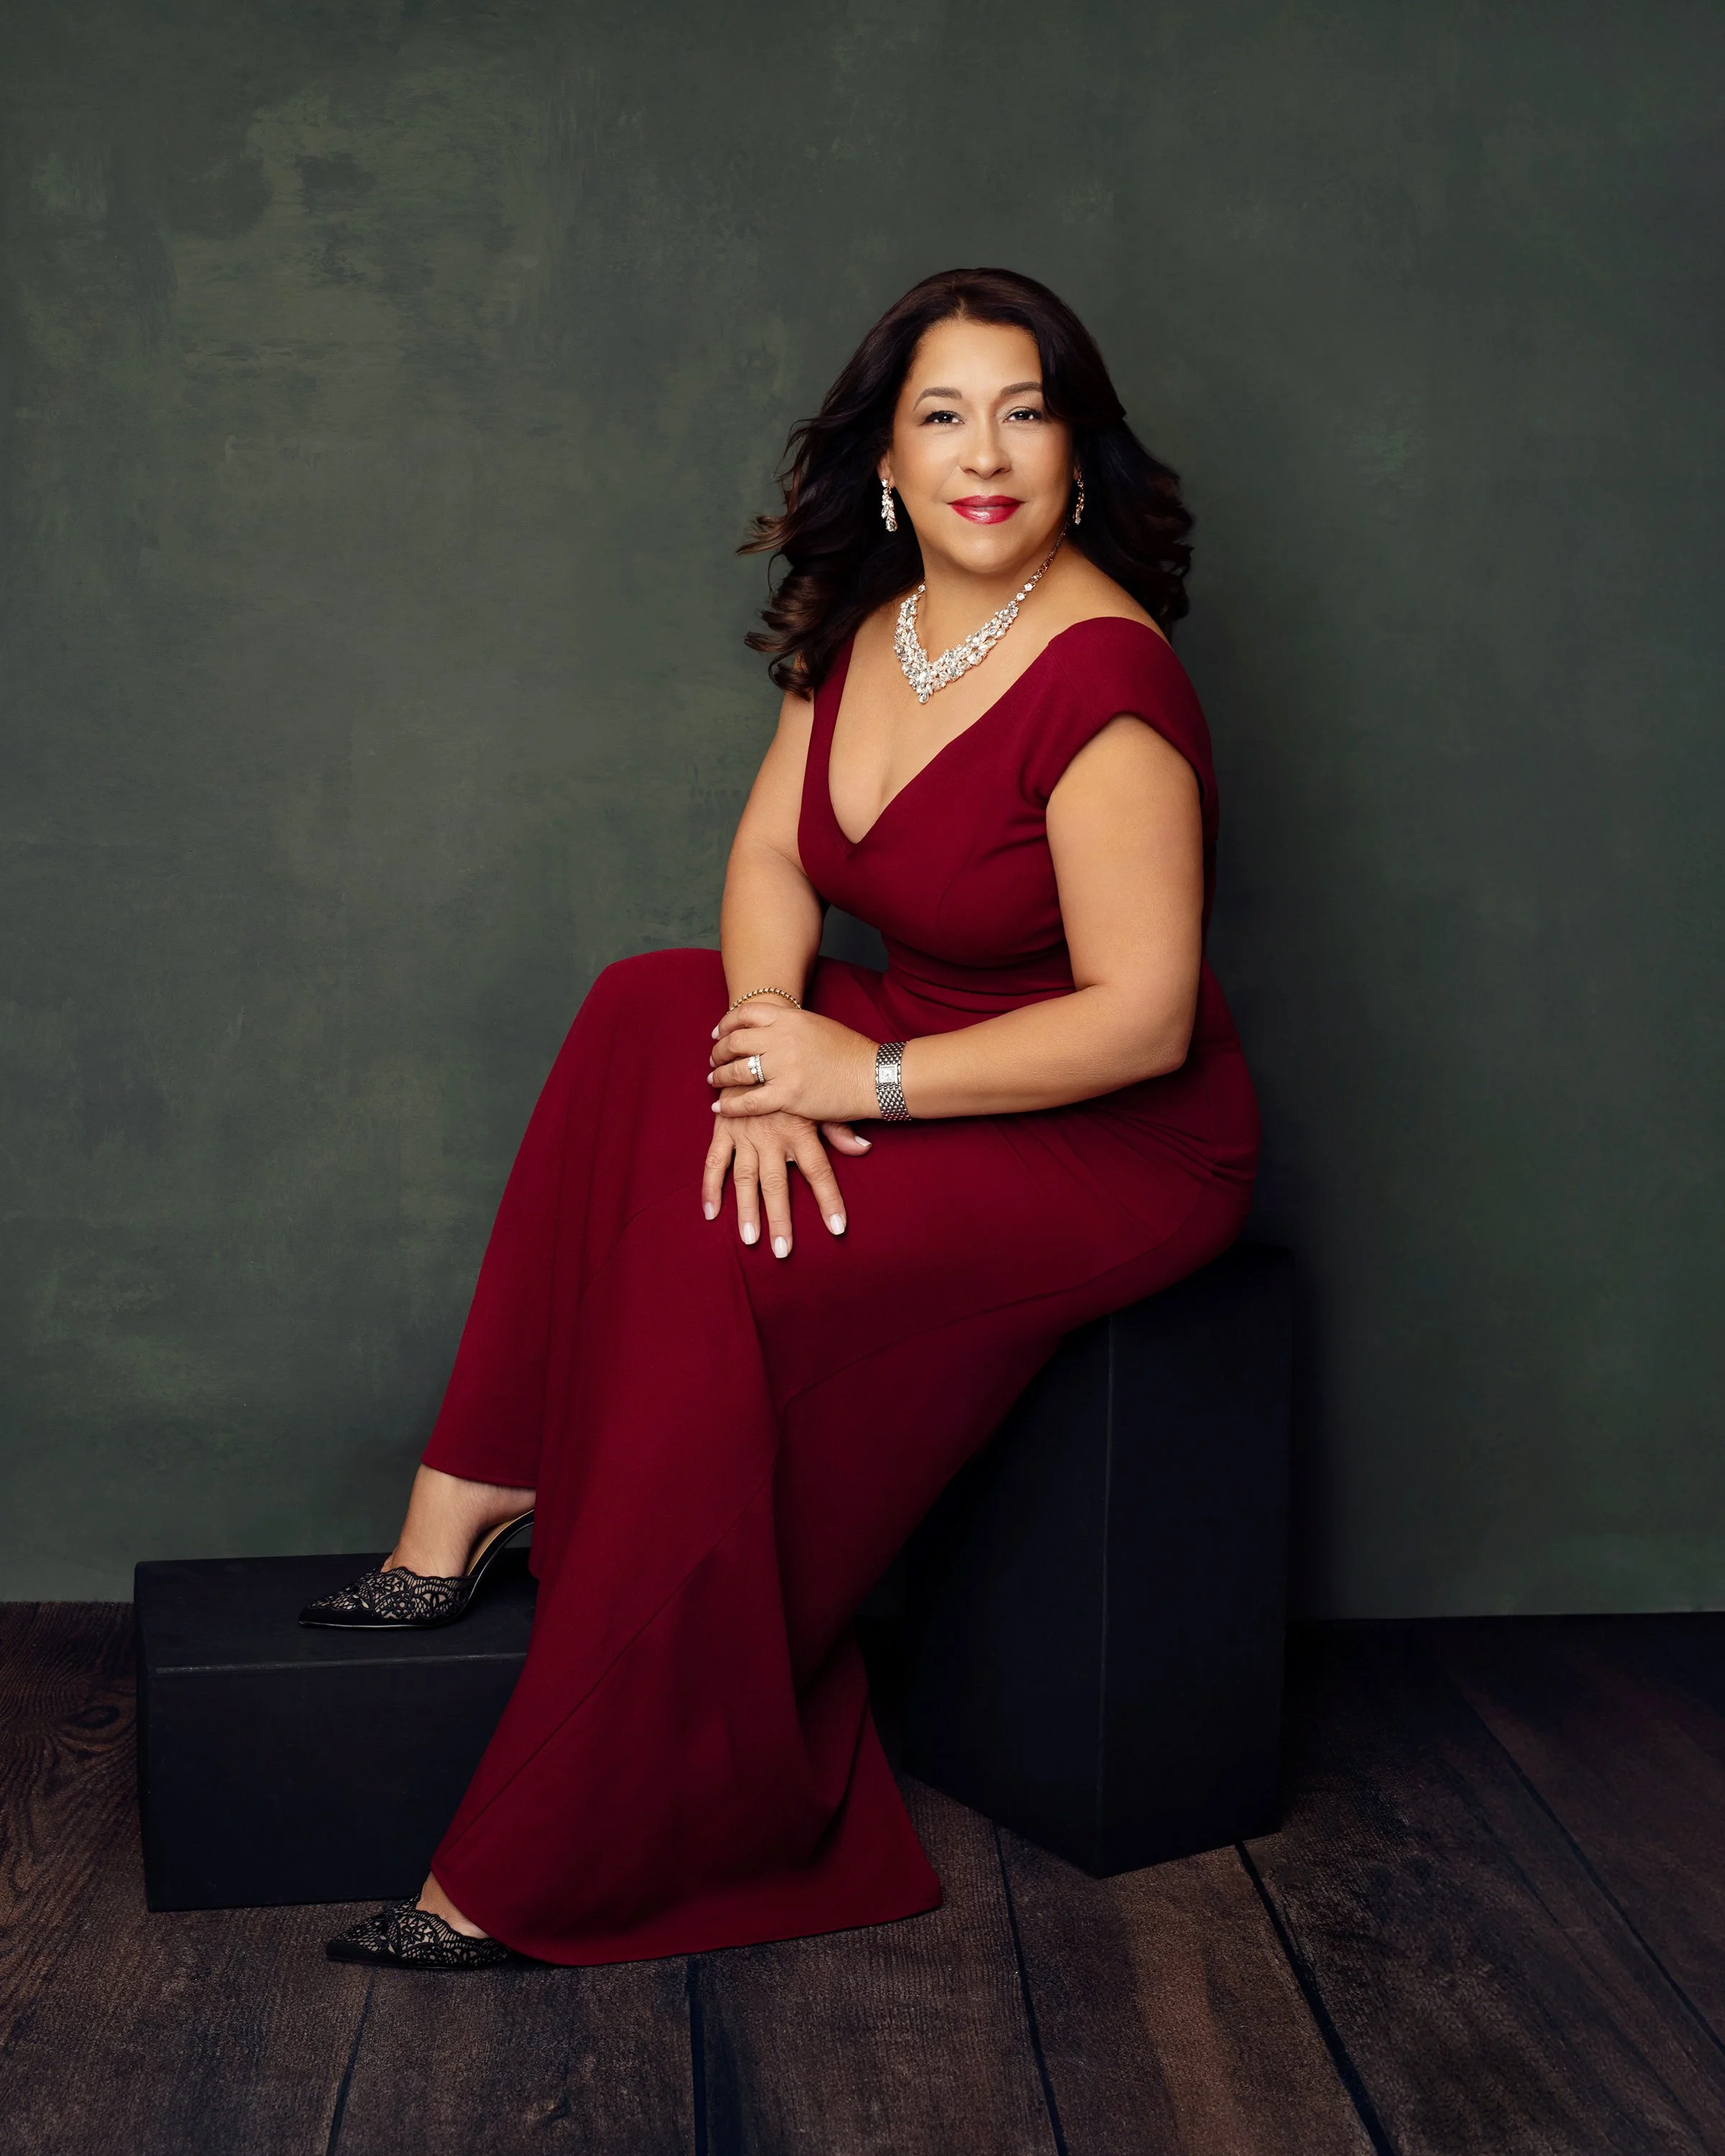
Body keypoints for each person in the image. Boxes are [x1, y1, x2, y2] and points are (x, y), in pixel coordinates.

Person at [308, 267, 1260, 1971]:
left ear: (1077, 455)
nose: (986, 456)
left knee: (721, 1264)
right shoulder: (870, 623)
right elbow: (769, 855)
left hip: (1115, 1136)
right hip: (929, 1035)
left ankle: (568, 1845)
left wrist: (854, 1081)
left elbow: (1146, 1021)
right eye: (944, 417)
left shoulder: (1106, 683)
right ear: (888, 460)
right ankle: (485, 1484)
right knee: (647, 1008)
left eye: (1026, 415)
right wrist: (764, 1048)